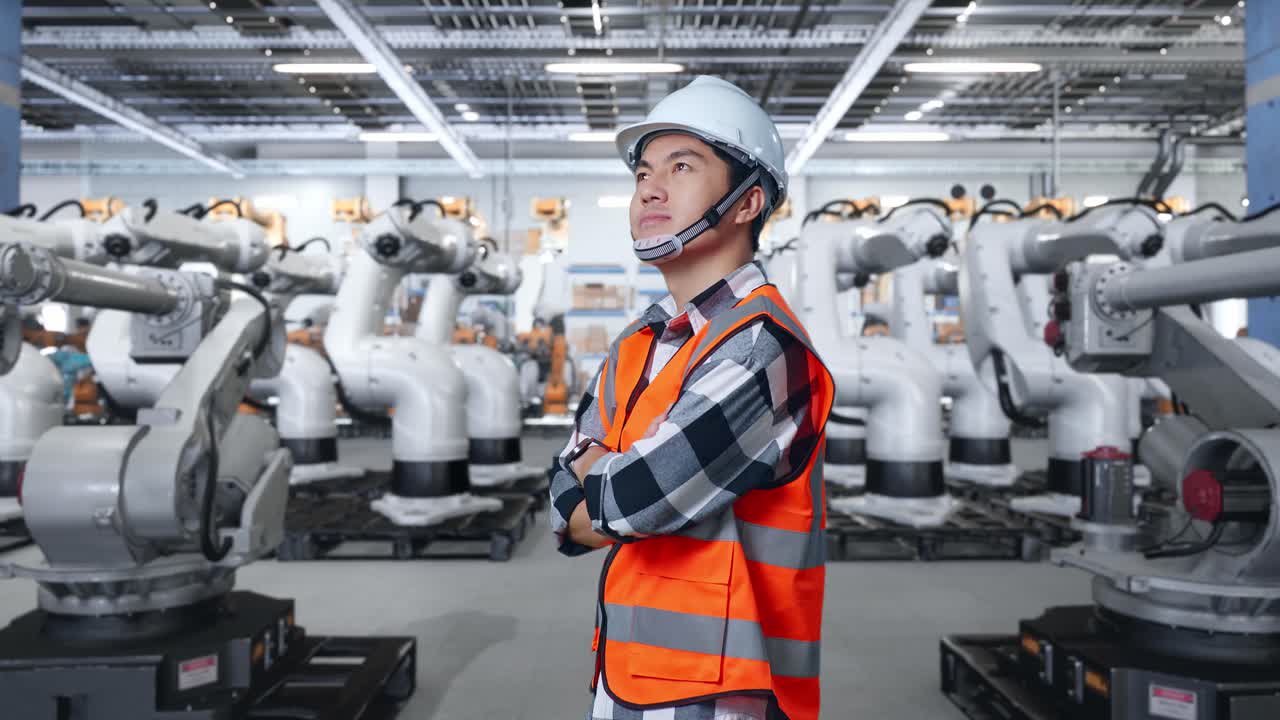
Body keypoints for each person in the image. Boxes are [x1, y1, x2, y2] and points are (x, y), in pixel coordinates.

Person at [547, 76, 834, 720]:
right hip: (623, 677)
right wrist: (600, 487)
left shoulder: (762, 346)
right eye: (643, 171)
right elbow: (562, 496)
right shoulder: (639, 341)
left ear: (746, 203)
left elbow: (635, 501)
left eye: (682, 166)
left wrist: (605, 482)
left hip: (726, 692)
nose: (649, 187)